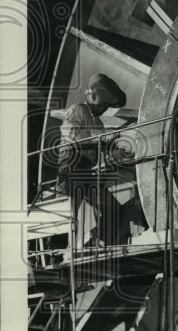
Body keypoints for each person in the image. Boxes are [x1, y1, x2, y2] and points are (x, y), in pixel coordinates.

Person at [51, 73, 127, 245]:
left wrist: (116, 150)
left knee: (113, 207)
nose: (104, 109)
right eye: (103, 104)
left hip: (86, 170)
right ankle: (57, 252)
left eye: (107, 106)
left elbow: (103, 145)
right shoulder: (77, 109)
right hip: (71, 165)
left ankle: (97, 243)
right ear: (92, 96)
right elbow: (71, 134)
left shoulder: (98, 123)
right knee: (66, 214)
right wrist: (102, 136)